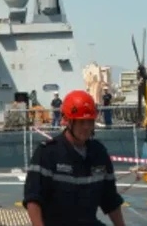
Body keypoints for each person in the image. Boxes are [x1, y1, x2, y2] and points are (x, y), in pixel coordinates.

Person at [22, 90, 126, 226]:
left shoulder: (99, 153)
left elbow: (110, 199)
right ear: (68, 121)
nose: (87, 127)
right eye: (81, 122)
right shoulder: (48, 153)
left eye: (90, 121)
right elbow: (33, 200)